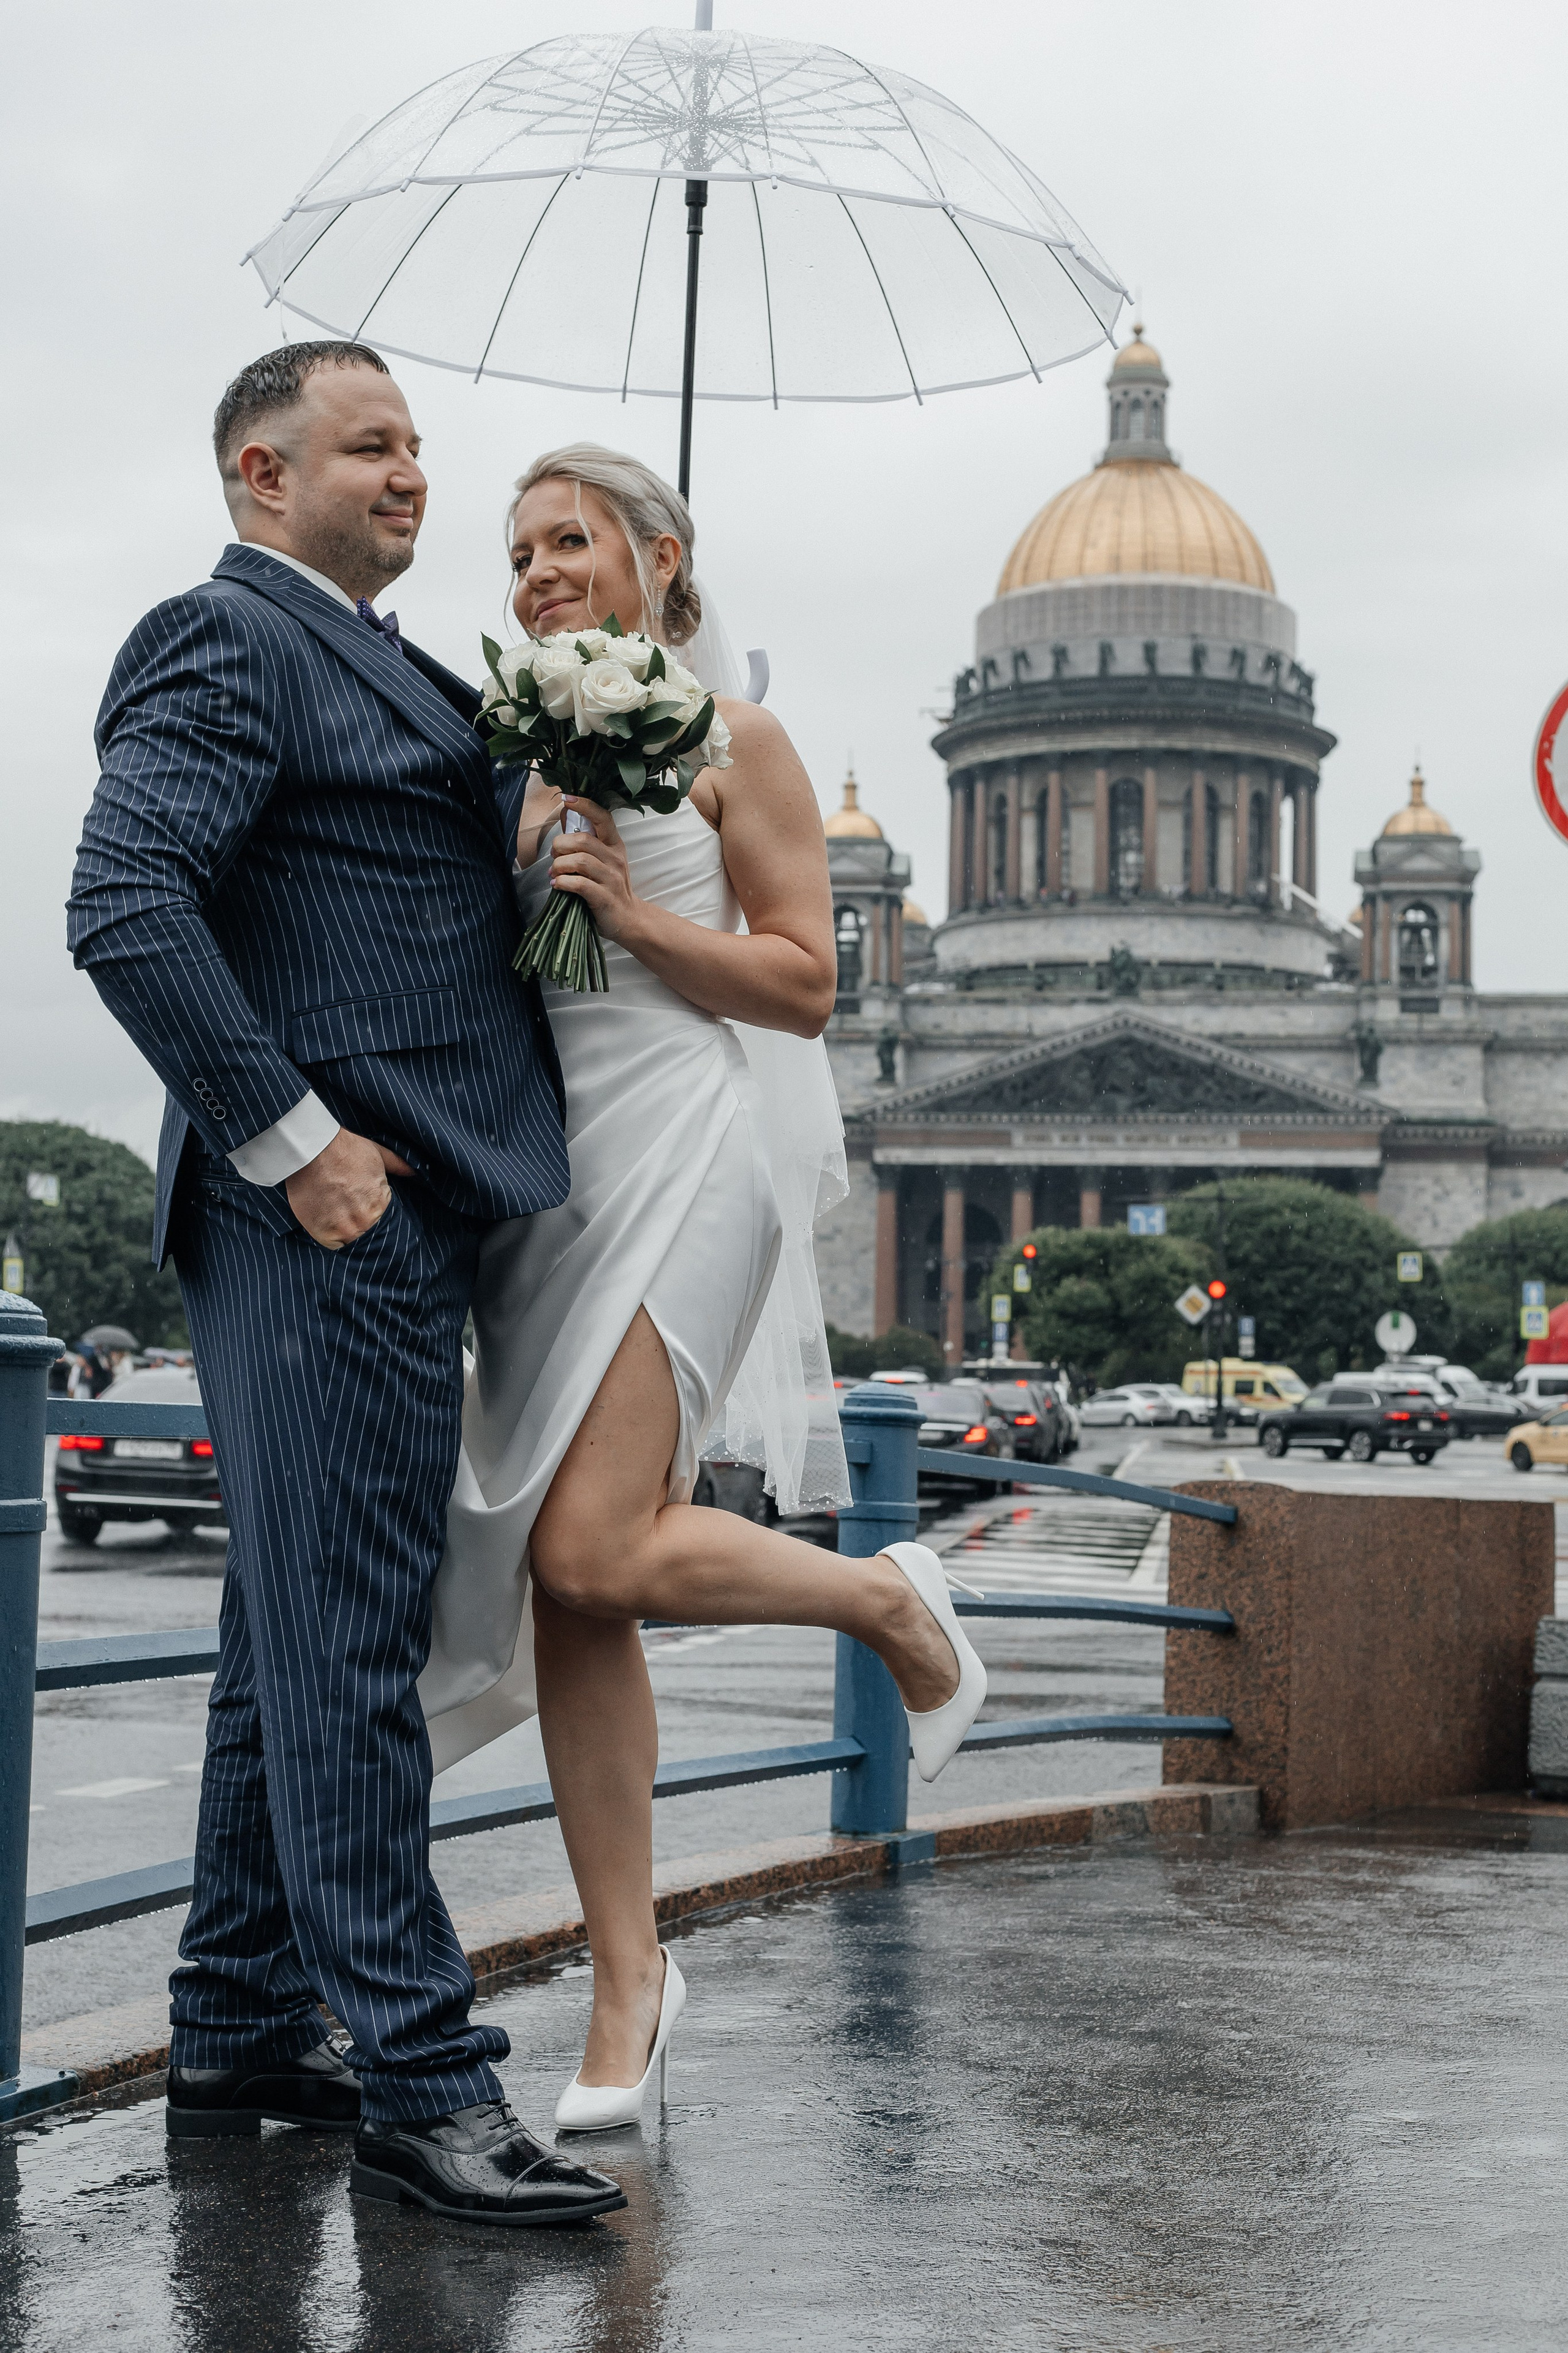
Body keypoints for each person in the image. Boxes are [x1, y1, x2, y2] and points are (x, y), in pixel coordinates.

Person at [67, 344, 626, 2229]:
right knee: (343, 1658)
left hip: (405, 1216)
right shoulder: (226, 637)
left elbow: (442, 902)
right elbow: (124, 897)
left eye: (416, 448)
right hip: (332, 1221)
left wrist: (557, 821)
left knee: (288, 1641)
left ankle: (237, 2021)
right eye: (370, 444)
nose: (411, 474)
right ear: (258, 468)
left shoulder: (389, 661)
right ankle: (422, 2078)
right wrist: (302, 1149)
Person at [420, 445, 989, 2133]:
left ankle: (890, 1599)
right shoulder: (513, 756)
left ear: (662, 558)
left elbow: (807, 982)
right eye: (517, 547)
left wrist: (627, 907)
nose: (534, 569)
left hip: (691, 1138)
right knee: (572, 1594)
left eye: (568, 537)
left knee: (594, 1539)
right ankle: (629, 1976)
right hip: (550, 1171)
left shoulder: (739, 739)